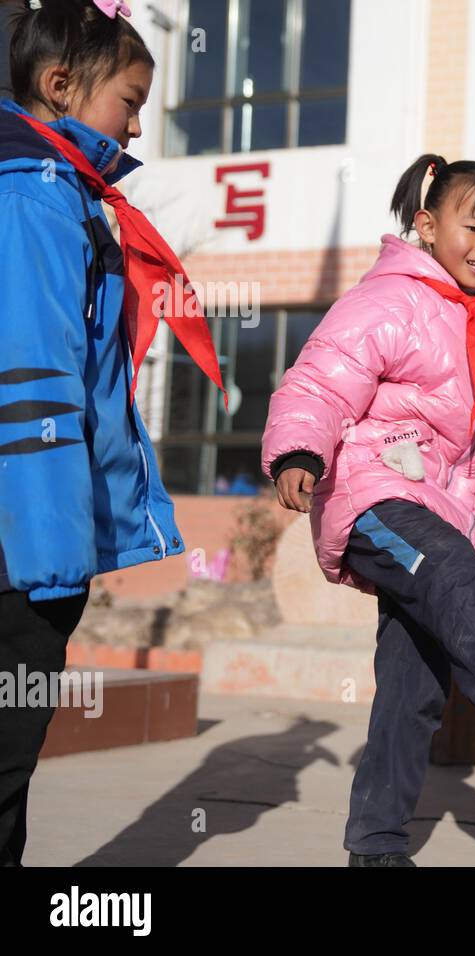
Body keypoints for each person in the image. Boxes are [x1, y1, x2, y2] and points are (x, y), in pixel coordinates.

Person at [263, 153, 475, 867]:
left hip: (441, 509)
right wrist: (298, 450)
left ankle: (376, 846)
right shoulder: (388, 300)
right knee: (449, 567)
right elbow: (321, 378)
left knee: (413, 690)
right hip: (371, 491)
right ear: (426, 223)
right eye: (473, 226)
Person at [0, 0, 222, 867]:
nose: (136, 126)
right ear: (60, 86)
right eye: (128, 103)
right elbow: (33, 375)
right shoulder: (35, 194)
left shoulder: (60, 191)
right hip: (23, 537)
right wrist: (56, 551)